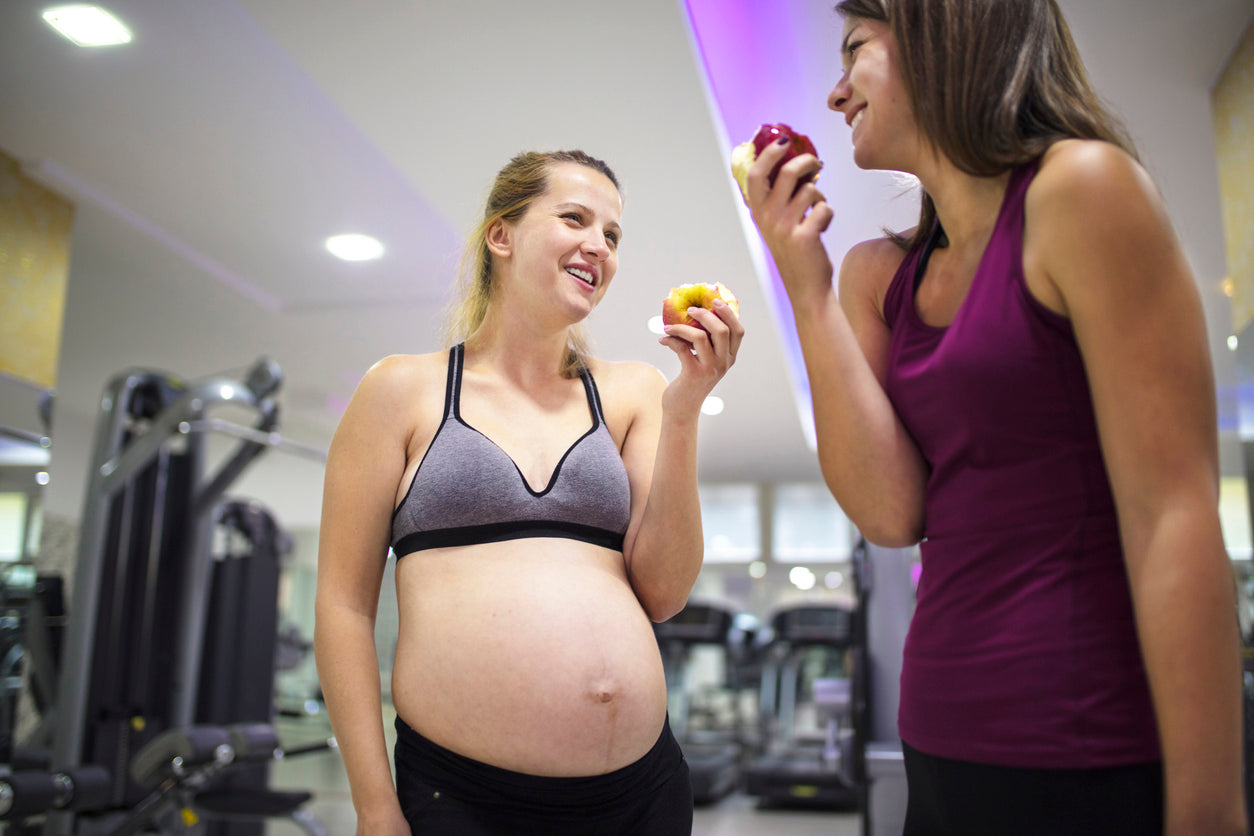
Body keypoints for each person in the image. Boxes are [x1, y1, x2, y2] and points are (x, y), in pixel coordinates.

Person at [739, 1, 1246, 833]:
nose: (834, 95)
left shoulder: (1082, 190)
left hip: (1087, 744)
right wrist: (803, 283)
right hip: (939, 741)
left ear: (946, 35)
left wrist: (1208, 811)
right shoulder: (879, 278)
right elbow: (890, 512)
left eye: (855, 51)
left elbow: (1174, 517)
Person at [314, 148, 743, 835]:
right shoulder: (401, 390)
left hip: (644, 793)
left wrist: (685, 408)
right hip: (464, 798)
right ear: (502, 235)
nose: (598, 245)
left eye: (612, 234)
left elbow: (664, 592)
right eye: (575, 218)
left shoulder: (634, 392)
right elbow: (342, 607)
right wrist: (373, 804)